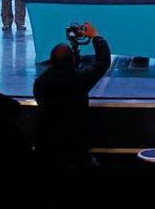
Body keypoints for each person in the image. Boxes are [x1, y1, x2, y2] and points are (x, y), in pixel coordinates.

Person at [33, 22, 111, 167]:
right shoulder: (79, 79)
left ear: (51, 61)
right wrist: (95, 36)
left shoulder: (40, 83)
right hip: (76, 147)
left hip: (46, 146)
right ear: (73, 60)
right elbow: (103, 61)